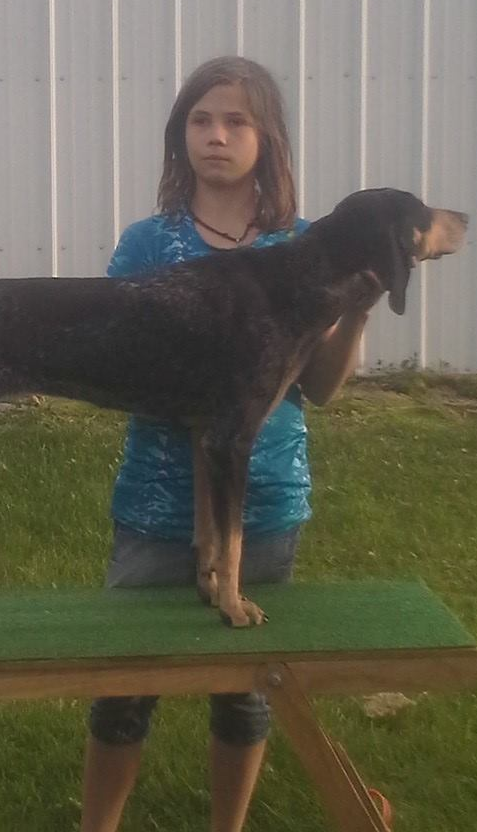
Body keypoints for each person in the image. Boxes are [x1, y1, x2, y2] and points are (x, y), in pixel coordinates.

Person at [80, 56, 381, 832]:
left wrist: (357, 308)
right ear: (180, 135)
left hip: (265, 499)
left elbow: (321, 388)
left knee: (245, 695)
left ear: (267, 137)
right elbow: (112, 367)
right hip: (156, 504)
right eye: (201, 120)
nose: (216, 135)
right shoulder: (147, 244)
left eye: (236, 121)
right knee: (122, 690)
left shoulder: (313, 246)